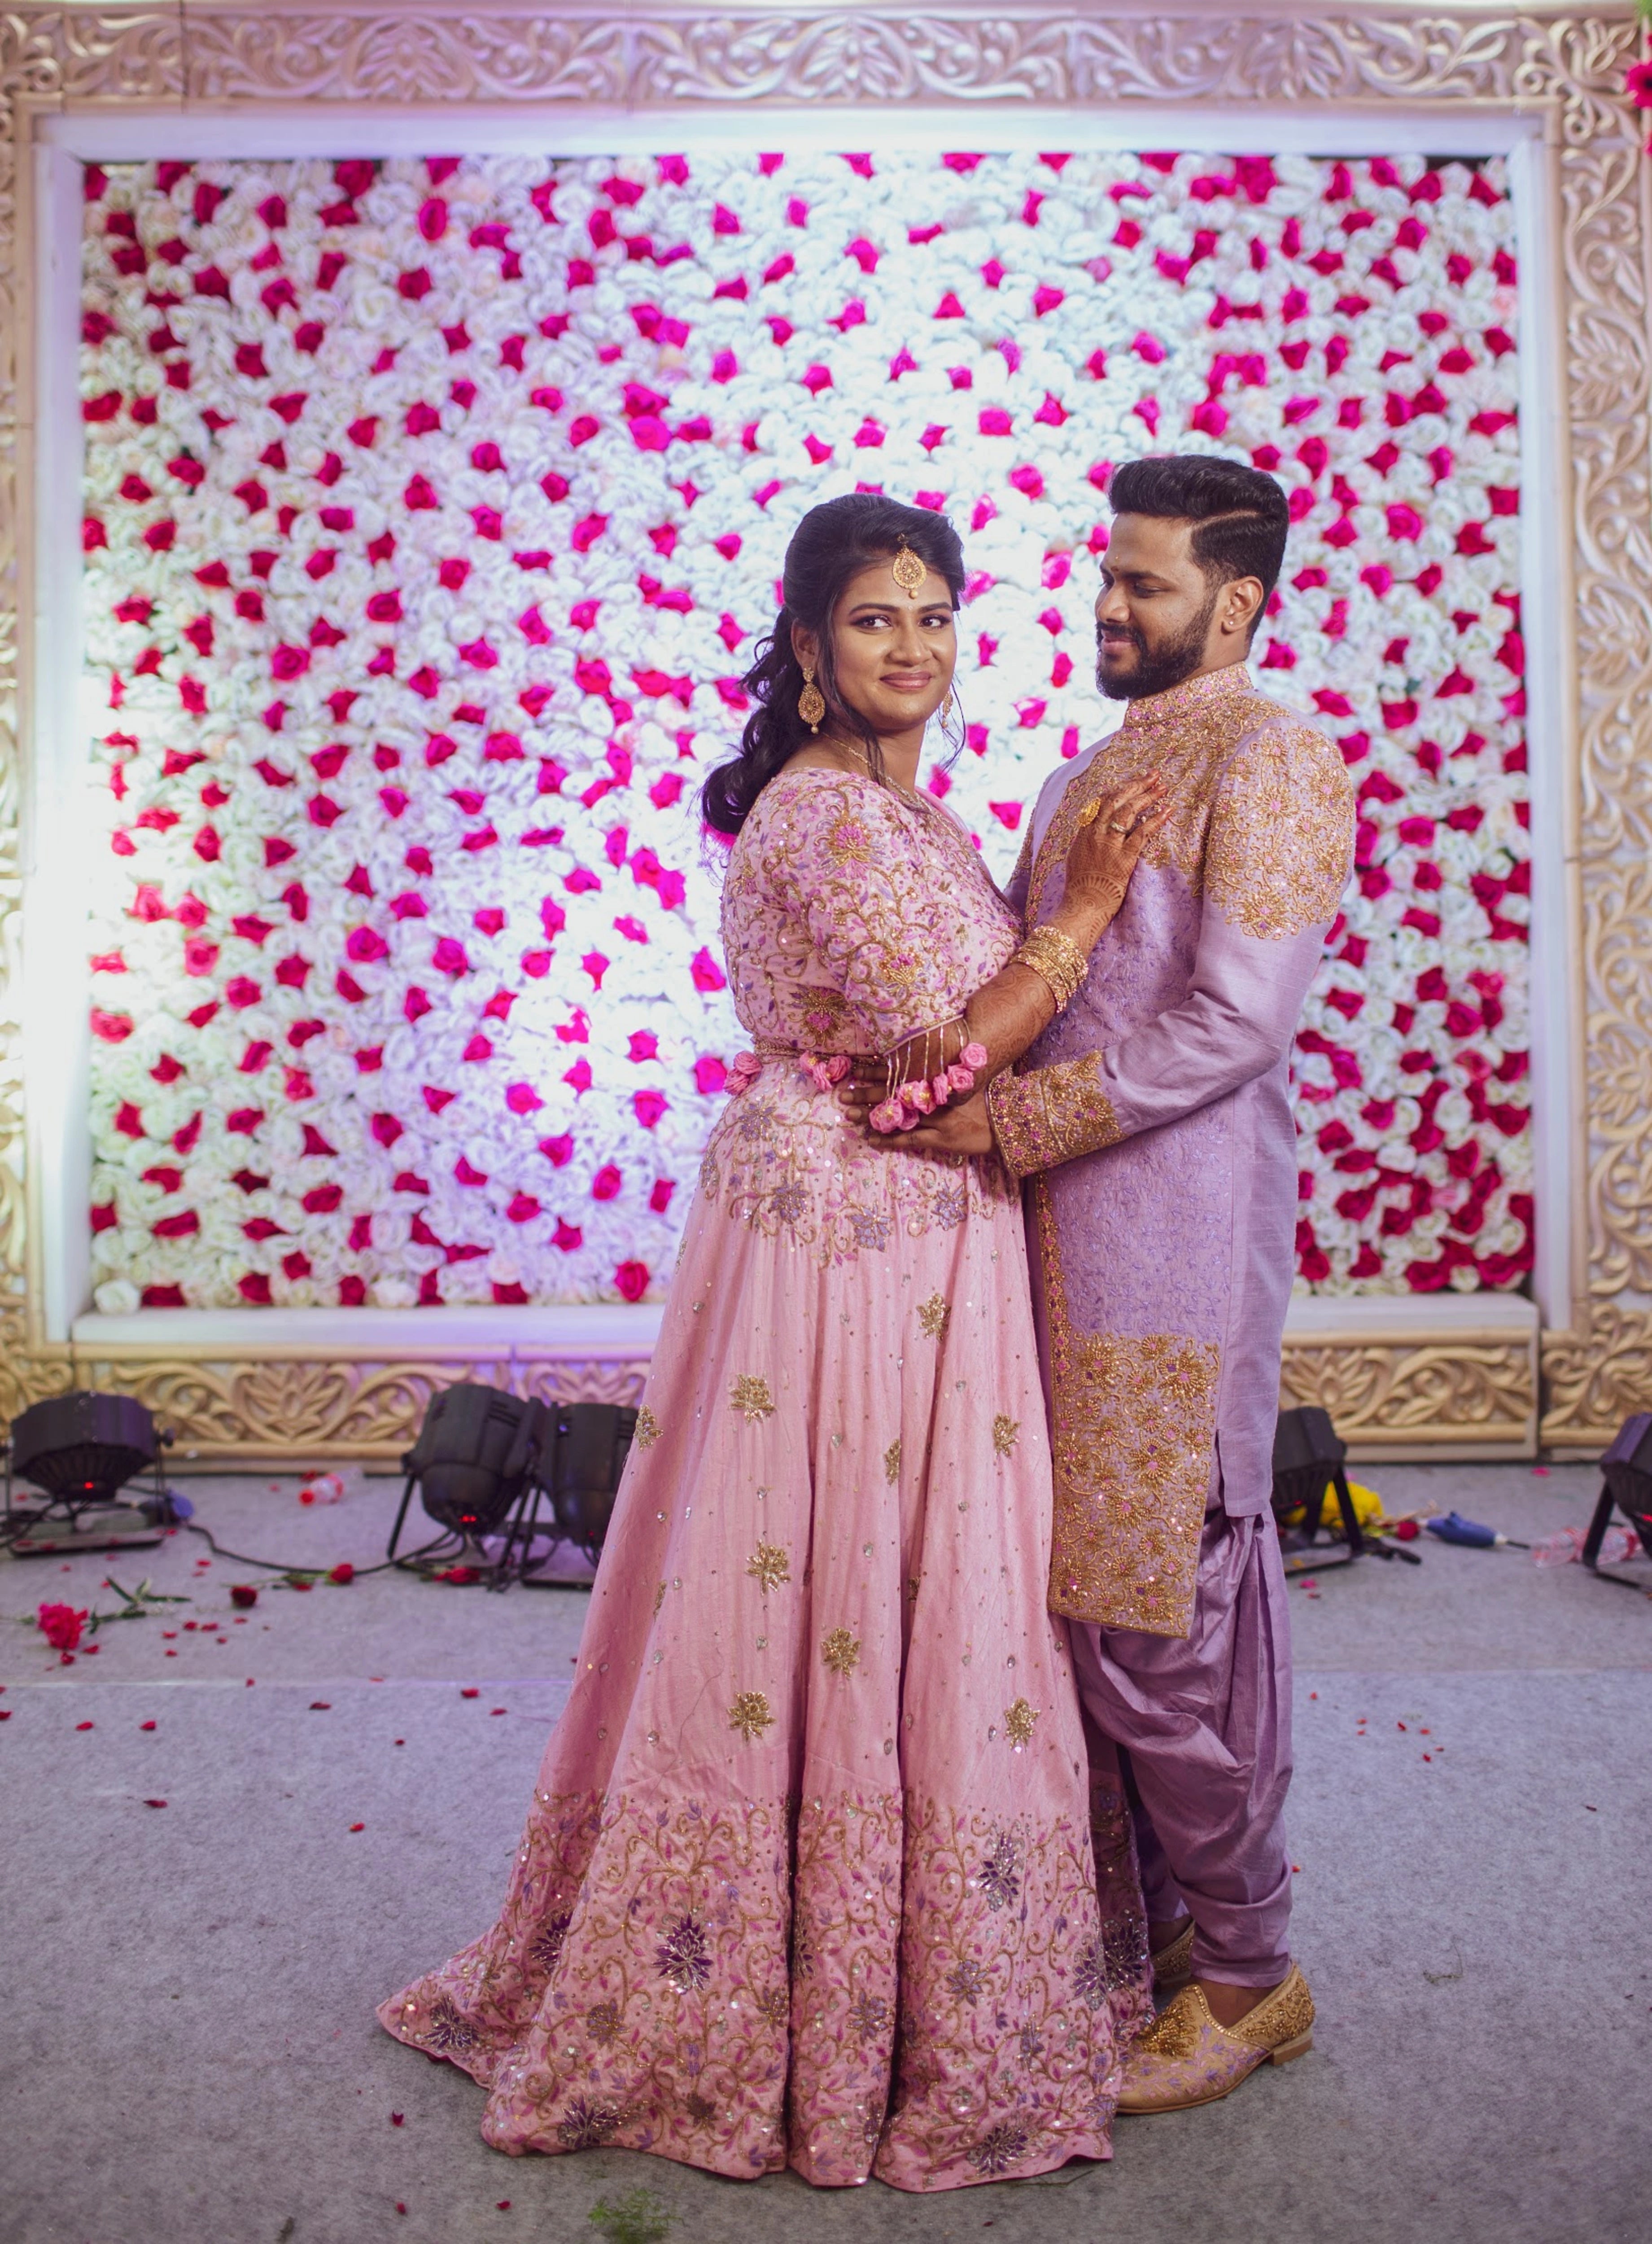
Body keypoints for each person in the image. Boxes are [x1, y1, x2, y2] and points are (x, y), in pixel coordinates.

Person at [378, 493, 1169, 2190]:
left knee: (896, 1589)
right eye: (876, 619)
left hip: (902, 1226)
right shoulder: (820, 825)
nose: (914, 647)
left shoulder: (916, 822)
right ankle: (784, 1998)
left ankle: (885, 1979)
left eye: (937, 616)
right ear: (807, 650)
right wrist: (1083, 917)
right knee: (829, 1591)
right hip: (855, 1235)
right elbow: (930, 1068)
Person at [847, 456, 1356, 2115]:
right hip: (1055, 1246)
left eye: (1143, 585)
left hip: (1168, 1259)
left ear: (1238, 602)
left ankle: (1250, 1975)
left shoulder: (1273, 753)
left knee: (1156, 1625)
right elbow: (1052, 968)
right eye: (1105, 577)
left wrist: (1009, 1128)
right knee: (1074, 1619)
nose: (1108, 608)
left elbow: (1234, 1024)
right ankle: (1155, 1949)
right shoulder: (1099, 762)